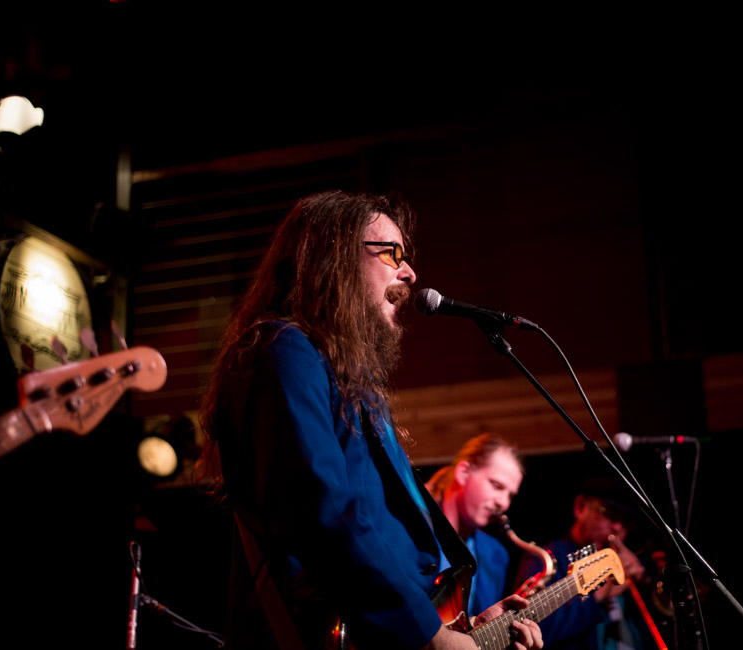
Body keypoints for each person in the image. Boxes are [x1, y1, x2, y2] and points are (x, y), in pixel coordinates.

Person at [199, 190, 542, 649]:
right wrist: (429, 634)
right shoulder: (281, 348)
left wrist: (464, 629)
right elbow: (322, 513)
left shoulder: (345, 375)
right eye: (392, 253)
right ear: (334, 257)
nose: (410, 272)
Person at [513, 476, 649, 650]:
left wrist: (645, 583)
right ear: (580, 508)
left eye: (626, 522)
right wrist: (599, 592)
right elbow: (533, 631)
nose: (617, 527)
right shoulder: (545, 560)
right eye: (610, 513)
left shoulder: (629, 562)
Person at [425, 433, 525, 616]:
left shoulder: (497, 554)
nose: (504, 503)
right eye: (497, 485)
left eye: (510, 495)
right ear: (463, 473)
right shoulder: (411, 528)